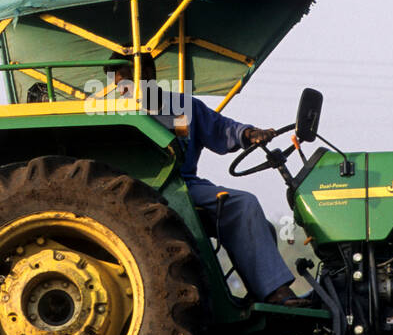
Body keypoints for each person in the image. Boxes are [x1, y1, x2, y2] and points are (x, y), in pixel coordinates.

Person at [112, 56, 302, 305]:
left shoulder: (183, 106)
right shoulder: (112, 112)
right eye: (113, 76)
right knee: (243, 204)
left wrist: (248, 133)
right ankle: (275, 292)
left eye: (123, 74)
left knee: (262, 227)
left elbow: (222, 129)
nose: (117, 83)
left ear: (146, 72)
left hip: (184, 184)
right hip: (142, 190)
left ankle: (261, 293)